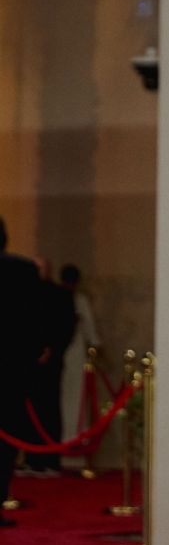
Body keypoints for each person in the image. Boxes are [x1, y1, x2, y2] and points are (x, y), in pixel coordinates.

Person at [0, 219, 47, 522]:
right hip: (12, 369)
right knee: (6, 443)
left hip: (13, 365)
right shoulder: (24, 270)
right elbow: (35, 319)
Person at [24, 259, 76, 475]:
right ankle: (32, 459)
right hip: (29, 362)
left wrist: (51, 350)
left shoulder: (61, 295)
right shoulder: (26, 294)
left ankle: (51, 461)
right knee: (30, 410)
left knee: (50, 408)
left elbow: (66, 327)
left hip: (51, 361)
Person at [59, 264, 100, 441]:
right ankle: (72, 434)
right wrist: (96, 344)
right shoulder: (78, 300)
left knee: (71, 395)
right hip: (73, 352)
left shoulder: (63, 297)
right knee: (72, 395)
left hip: (68, 353)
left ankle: (71, 435)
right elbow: (90, 327)